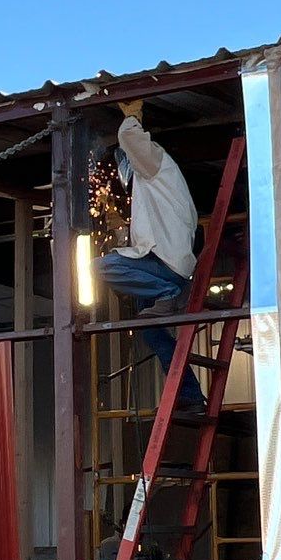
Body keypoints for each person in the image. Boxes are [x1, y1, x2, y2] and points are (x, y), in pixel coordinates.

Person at [97, 101, 207, 414]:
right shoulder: (156, 190)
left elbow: (131, 138)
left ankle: (167, 294)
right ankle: (189, 396)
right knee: (153, 333)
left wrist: (131, 116)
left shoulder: (157, 165)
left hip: (166, 271)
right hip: (164, 265)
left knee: (100, 267)